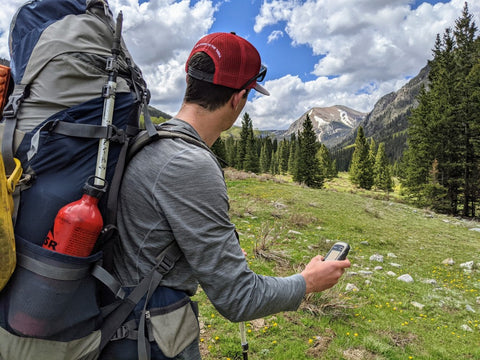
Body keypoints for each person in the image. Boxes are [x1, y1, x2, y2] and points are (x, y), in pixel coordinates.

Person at [102, 32, 351, 360]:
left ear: (189, 80)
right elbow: (239, 298)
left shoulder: (149, 141)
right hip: (149, 344)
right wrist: (307, 282)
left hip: (115, 326)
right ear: (239, 98)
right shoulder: (189, 164)